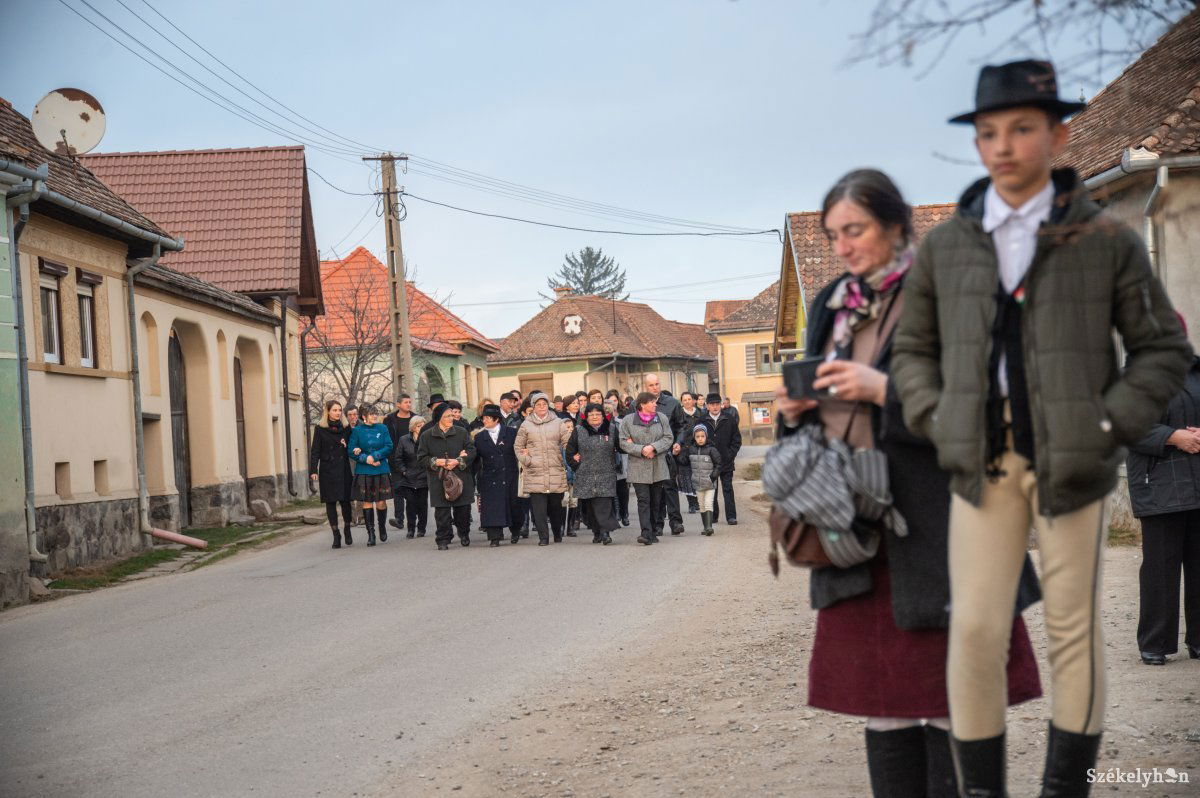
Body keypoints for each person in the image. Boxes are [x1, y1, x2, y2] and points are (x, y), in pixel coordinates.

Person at [891, 60, 1191, 796]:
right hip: (981, 458)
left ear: (1057, 134)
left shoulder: (1105, 240)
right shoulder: (948, 245)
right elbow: (911, 354)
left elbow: (1163, 349)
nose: (1003, 145)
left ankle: (1065, 789)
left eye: (1022, 128)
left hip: (1072, 455)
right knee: (975, 632)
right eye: (989, 132)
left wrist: (1110, 419)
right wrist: (943, 419)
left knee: (1072, 632)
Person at [770, 168, 1045, 798]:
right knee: (885, 704)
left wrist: (884, 391)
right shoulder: (834, 304)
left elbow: (987, 413)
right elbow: (820, 422)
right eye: (832, 234)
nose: (842, 246)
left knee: (956, 701)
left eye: (855, 230)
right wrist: (799, 415)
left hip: (944, 532)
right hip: (858, 531)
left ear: (896, 225)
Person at [1126, 327, 1200, 665]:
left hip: (1197, 480)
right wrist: (1173, 437)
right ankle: (1155, 643)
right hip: (1158, 482)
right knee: (1160, 568)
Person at [417, 402, 477, 550]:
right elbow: (421, 457)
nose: (452, 418)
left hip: (460, 476)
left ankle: (464, 534)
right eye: (448, 416)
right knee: (442, 512)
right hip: (439, 477)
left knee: (462, 510)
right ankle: (443, 538)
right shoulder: (427, 436)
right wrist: (437, 461)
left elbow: (472, 451)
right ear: (438, 418)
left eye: (452, 415)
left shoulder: (461, 432)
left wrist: (458, 461)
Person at [514, 391, 571, 545]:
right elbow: (518, 446)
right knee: (538, 509)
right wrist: (527, 460)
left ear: (548, 406)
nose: (541, 407)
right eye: (538, 404)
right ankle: (543, 537)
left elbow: (567, 442)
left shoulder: (558, 422)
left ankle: (557, 533)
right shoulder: (526, 424)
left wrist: (568, 457)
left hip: (555, 469)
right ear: (533, 407)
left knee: (555, 508)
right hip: (535, 471)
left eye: (544, 404)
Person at [619, 391, 675, 546]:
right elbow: (623, 442)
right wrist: (642, 449)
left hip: (658, 465)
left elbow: (668, 438)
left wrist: (653, 448)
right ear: (642, 404)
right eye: (652, 402)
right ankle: (645, 532)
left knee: (655, 501)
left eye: (655, 402)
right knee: (644, 500)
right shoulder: (628, 420)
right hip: (638, 466)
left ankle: (652, 530)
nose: (655, 404)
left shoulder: (661, 418)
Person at [566, 403, 620, 545]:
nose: (595, 417)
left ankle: (605, 533)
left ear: (603, 416)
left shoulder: (612, 429)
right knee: (590, 507)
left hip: (606, 473)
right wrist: (577, 465)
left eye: (598, 414)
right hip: (586, 475)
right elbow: (570, 452)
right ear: (586, 417)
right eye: (591, 414)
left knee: (604, 505)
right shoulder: (579, 430)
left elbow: (621, 447)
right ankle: (597, 532)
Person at [643, 374, 686, 535]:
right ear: (646, 387)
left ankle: (676, 523)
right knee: (656, 490)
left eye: (657, 384)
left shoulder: (672, 403)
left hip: (667, 453)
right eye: (651, 385)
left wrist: (678, 443)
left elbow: (682, 426)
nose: (655, 387)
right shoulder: (638, 404)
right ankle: (658, 524)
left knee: (670, 487)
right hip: (648, 455)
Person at [473, 404, 521, 547]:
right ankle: (494, 536)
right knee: (492, 508)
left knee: (513, 506)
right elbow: (476, 459)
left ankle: (516, 531)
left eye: (488, 418)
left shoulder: (511, 433)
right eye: (483, 418)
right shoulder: (479, 437)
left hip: (510, 475)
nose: (484, 421)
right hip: (490, 477)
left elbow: (519, 450)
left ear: (496, 419)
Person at [309, 400, 354, 548]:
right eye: (335, 410)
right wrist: (313, 470)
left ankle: (347, 528)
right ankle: (336, 534)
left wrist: (347, 446)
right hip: (328, 469)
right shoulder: (320, 429)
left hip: (343, 468)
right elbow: (315, 450)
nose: (338, 413)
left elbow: (353, 447)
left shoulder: (347, 428)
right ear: (328, 411)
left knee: (346, 501)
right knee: (330, 502)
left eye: (339, 410)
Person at [347, 404, 394, 546]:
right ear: (364, 416)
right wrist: (365, 458)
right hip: (364, 471)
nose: (375, 416)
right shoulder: (357, 431)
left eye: (376, 413)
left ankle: (381, 526)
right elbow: (350, 450)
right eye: (371, 414)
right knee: (367, 502)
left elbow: (389, 446)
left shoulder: (383, 428)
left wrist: (375, 456)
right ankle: (371, 533)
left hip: (381, 469)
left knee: (381, 502)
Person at [697, 393, 742, 526]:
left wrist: (730, 454)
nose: (715, 407)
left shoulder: (729, 419)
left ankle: (731, 517)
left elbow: (737, 440)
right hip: (709, 462)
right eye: (712, 404)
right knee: (712, 490)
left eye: (717, 404)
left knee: (728, 488)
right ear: (707, 406)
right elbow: (696, 439)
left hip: (726, 461)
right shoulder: (702, 420)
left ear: (721, 405)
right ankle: (714, 516)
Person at [678, 424, 720, 536]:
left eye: (702, 436)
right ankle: (705, 527)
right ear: (694, 437)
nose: (700, 438)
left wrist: (713, 477)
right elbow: (684, 461)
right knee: (701, 505)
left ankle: (709, 527)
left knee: (708, 503)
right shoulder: (691, 449)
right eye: (698, 436)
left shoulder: (712, 449)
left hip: (710, 483)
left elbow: (718, 464)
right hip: (697, 483)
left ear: (706, 436)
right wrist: (679, 453)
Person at [384, 393, 414, 531]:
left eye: (409, 402)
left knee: (411, 491)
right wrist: (390, 457)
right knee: (397, 489)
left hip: (412, 461)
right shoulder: (390, 420)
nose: (409, 404)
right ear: (398, 404)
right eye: (406, 402)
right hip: (395, 459)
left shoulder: (415, 418)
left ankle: (413, 518)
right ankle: (399, 519)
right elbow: (387, 439)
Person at [678, 392, 705, 513]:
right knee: (687, 477)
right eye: (685, 400)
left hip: (698, 449)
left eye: (689, 399)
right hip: (684, 451)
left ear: (693, 400)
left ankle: (698, 501)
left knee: (697, 477)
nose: (687, 401)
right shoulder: (679, 414)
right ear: (682, 402)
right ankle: (691, 504)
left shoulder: (700, 413)